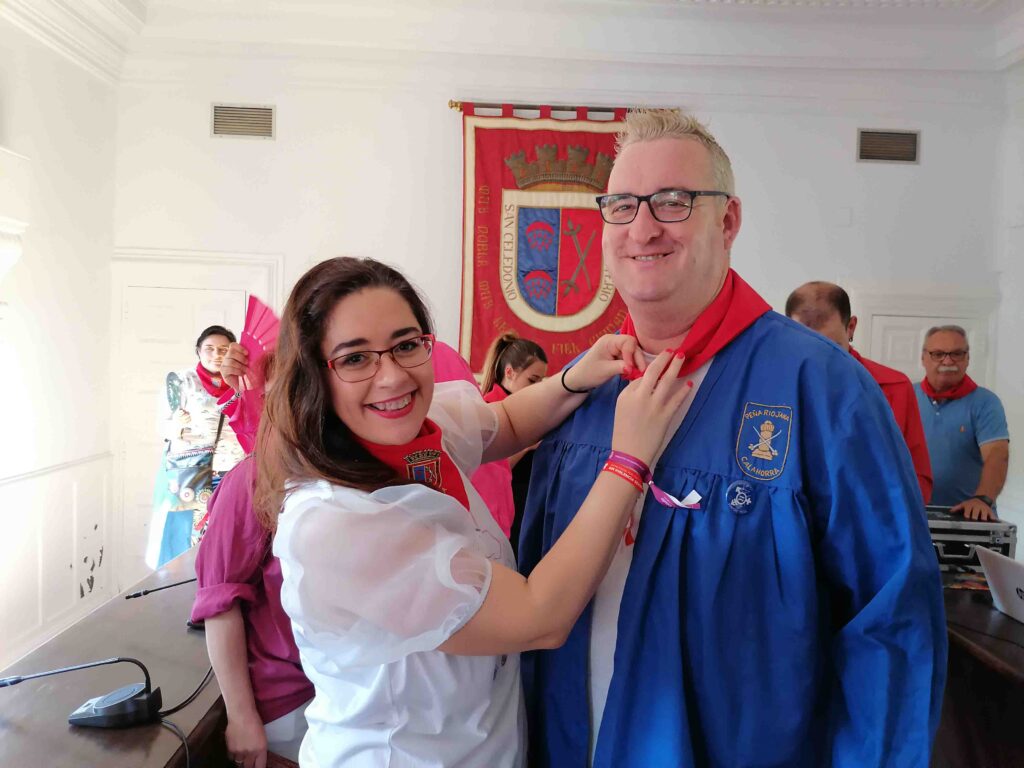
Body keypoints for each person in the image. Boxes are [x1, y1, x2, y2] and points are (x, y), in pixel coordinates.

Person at [518, 109, 946, 767]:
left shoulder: (821, 389)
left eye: (673, 201)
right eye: (623, 205)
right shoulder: (584, 393)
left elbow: (889, 621)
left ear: (728, 221)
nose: (643, 228)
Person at [253, 256, 693, 767]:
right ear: (313, 375)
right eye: (355, 359)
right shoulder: (333, 523)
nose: (392, 376)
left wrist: (575, 377)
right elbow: (539, 616)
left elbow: (504, 422)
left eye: (406, 345)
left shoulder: (416, 432)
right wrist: (629, 460)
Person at [191, 455, 314, 768]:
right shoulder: (258, 476)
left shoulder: (363, 465)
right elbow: (220, 599)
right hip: (292, 698)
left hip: (359, 696)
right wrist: (241, 716)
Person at [785, 280, 932, 503]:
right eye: (804, 346)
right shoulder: (773, 387)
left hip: (871, 517)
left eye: (830, 347)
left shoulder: (892, 387)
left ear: (851, 327)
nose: (818, 360)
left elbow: (917, 480)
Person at [147, 324, 246, 568]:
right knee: (185, 535)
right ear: (198, 351)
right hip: (191, 472)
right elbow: (163, 428)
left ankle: (218, 579)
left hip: (233, 470)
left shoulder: (243, 383)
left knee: (225, 534)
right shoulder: (181, 381)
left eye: (224, 349)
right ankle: (183, 583)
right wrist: (177, 426)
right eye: (209, 348)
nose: (216, 354)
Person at [914, 325, 1010, 521]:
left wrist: (983, 499)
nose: (948, 361)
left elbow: (997, 454)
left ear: (967, 358)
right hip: (912, 515)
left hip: (968, 519)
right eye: (938, 354)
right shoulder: (906, 396)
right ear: (923, 358)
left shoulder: (985, 402)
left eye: (957, 353)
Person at [479, 332, 550, 555]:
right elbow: (489, 472)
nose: (536, 388)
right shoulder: (488, 410)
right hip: (500, 513)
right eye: (532, 380)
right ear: (509, 372)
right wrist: (526, 445)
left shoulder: (526, 410)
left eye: (540, 382)